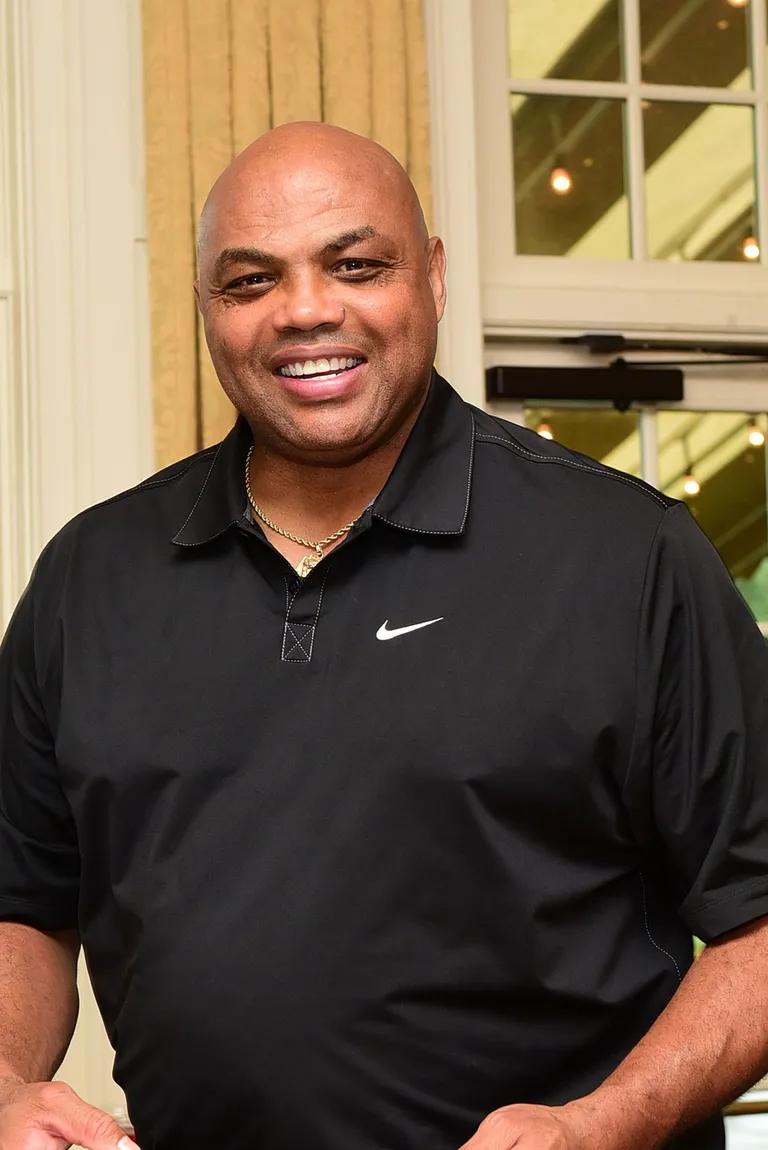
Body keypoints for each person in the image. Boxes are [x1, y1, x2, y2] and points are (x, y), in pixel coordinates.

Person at [1, 121, 768, 1150]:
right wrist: (5, 1080)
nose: (307, 310)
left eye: (356, 265)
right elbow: (26, 903)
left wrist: (597, 1128)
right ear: (207, 309)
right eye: (250, 281)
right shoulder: (89, 578)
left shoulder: (629, 557)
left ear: (435, 277)